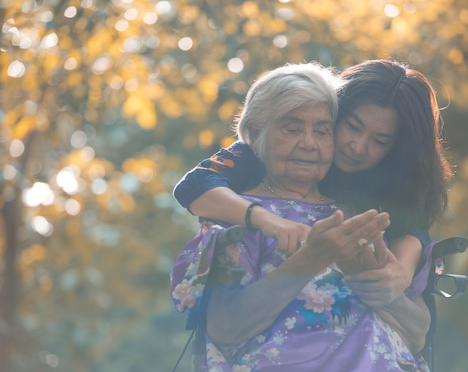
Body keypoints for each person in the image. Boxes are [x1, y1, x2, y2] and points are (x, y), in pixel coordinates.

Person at [171, 63, 468, 372]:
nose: (310, 143)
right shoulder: (241, 198)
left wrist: (386, 279)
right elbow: (224, 327)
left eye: (322, 130)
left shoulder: (371, 211)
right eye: (293, 128)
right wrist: (304, 255)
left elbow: (417, 329)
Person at [173, 59, 453, 309]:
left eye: (380, 141)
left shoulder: (393, 172)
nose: (358, 147)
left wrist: (402, 272)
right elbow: (195, 184)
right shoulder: (272, 149)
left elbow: (411, 222)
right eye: (352, 127)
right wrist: (268, 221)